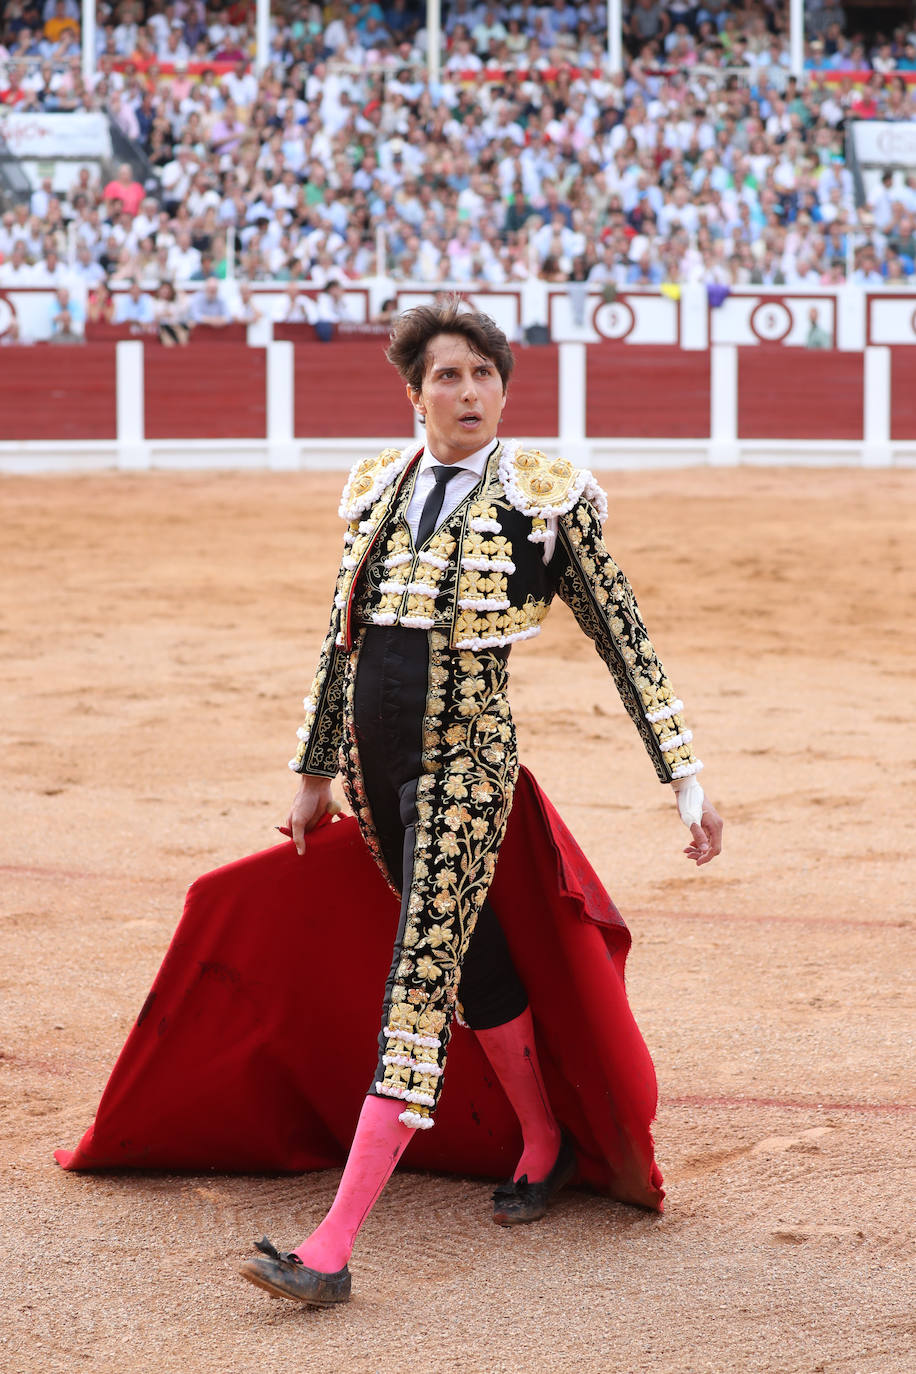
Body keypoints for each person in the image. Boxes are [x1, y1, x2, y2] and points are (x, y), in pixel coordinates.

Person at [239, 300, 723, 1308]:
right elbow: (342, 637)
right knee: (468, 954)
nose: (469, 395)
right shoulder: (378, 486)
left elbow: (621, 636)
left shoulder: (544, 498)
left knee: (418, 975)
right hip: (375, 772)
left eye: (484, 377)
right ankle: (541, 1137)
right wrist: (311, 770)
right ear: (415, 392)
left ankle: (330, 1250)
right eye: (449, 377)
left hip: (465, 764)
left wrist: (684, 778)